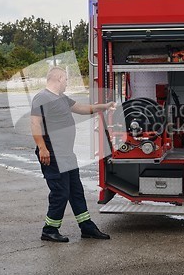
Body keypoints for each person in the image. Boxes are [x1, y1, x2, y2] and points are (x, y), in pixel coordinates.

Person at [31, 67, 115, 243]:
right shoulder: (42, 97)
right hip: (52, 154)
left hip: (67, 154)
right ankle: (49, 229)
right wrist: (42, 148)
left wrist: (104, 107)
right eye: (66, 80)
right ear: (59, 78)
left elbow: (83, 108)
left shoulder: (61, 98)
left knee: (76, 191)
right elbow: (35, 124)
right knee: (60, 192)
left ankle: (87, 227)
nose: (67, 83)